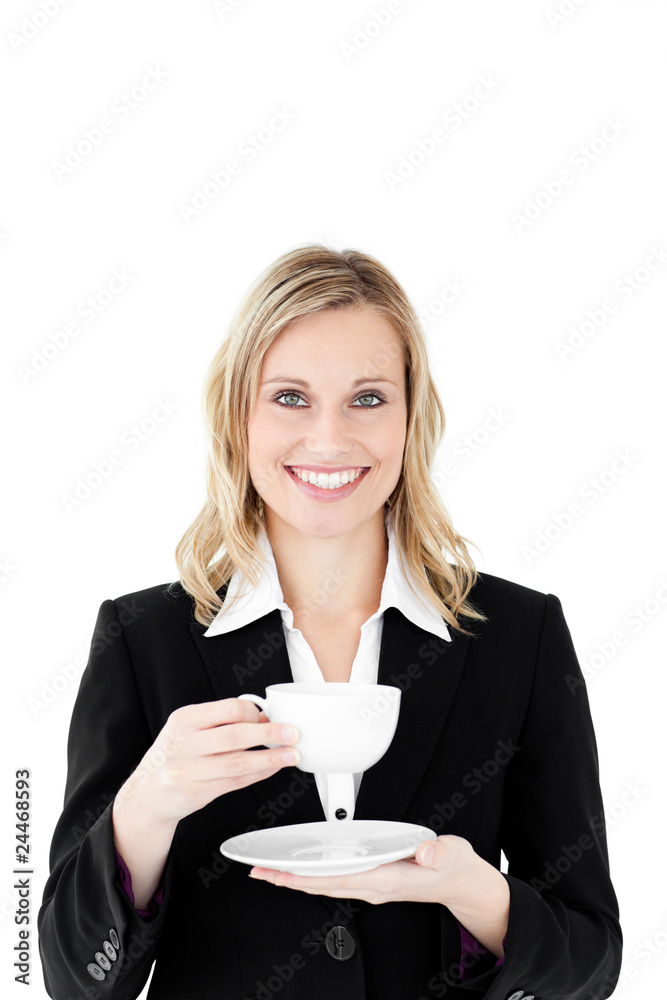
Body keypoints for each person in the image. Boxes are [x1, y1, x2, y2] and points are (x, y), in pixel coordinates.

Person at [38, 244, 622, 1000]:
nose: (328, 439)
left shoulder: (517, 634)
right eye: (290, 397)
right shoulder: (140, 639)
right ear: (239, 415)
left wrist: (474, 893)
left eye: (367, 398)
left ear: (411, 419)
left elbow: (591, 961)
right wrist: (145, 805)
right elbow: (72, 978)